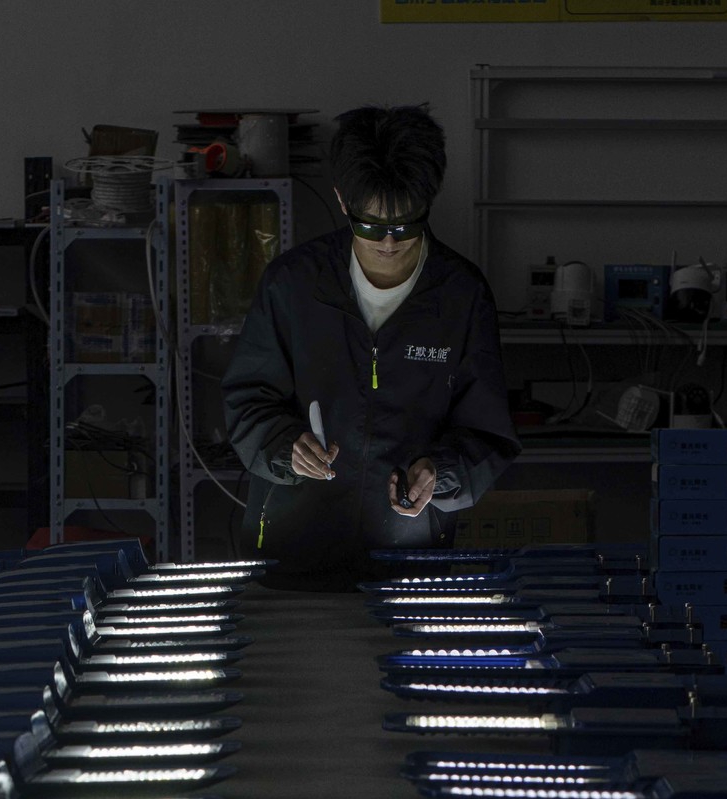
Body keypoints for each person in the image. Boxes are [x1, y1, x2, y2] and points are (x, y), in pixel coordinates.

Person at [221, 103, 519, 585]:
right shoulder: (293, 285)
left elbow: (487, 430)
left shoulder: (460, 296)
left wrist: (439, 472)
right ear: (342, 201)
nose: (388, 242)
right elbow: (246, 400)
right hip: (292, 555)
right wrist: (283, 447)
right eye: (370, 224)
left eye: (406, 224)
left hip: (409, 560)